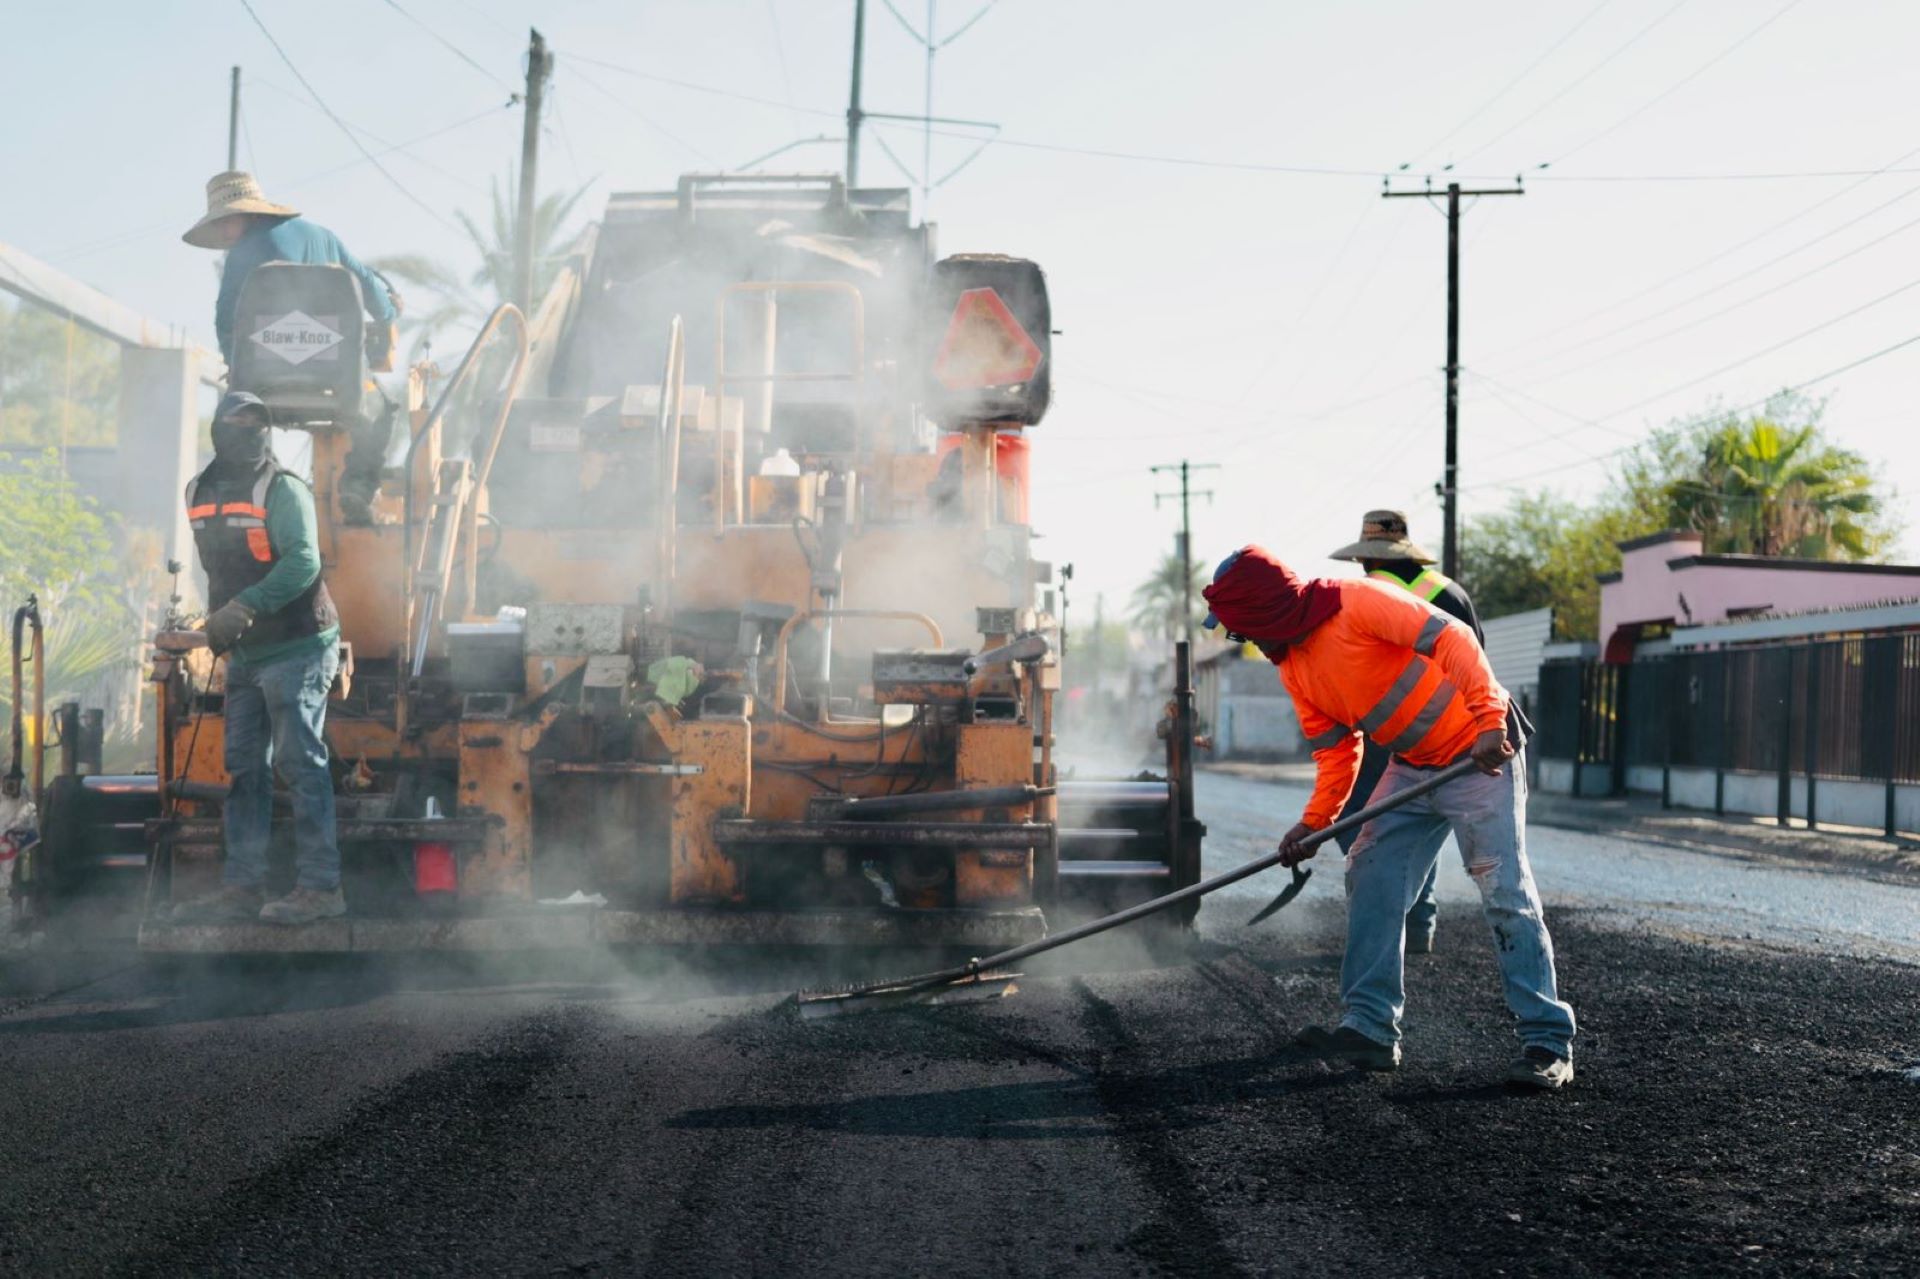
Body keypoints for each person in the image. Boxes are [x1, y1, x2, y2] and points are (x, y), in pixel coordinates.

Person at [1201, 545, 1575, 1089]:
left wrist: (1491, 720)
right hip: (1414, 766)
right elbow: (1336, 751)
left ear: (1263, 610)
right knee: (1368, 868)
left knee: (1503, 890)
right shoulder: (1295, 665)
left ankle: (1547, 1041)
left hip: (1479, 756)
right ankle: (1371, 1027)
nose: (1246, 642)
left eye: (1242, 629)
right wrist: (1314, 823)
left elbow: (1455, 639)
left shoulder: (1357, 602)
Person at [171, 392, 345, 927]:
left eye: (258, 425)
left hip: (298, 646)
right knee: (246, 770)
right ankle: (244, 885)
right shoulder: (197, 490)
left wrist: (244, 607)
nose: (250, 432)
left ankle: (321, 888)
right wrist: (216, 617)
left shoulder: (283, 489)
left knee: (300, 764)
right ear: (218, 430)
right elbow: (220, 567)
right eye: (239, 423)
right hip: (248, 653)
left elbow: (303, 563)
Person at [183, 171, 400, 524]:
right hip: (337, 383)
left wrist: (236, 364)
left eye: (226, 222)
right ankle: (356, 489)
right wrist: (390, 312)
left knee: (232, 423)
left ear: (249, 213)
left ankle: (243, 500)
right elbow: (371, 290)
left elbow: (226, 319)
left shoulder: (241, 255)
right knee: (380, 409)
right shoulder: (325, 239)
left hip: (264, 383)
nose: (223, 234)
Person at [1326, 510, 1485, 956]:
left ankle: (1388, 920)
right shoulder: (1452, 593)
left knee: (1360, 821)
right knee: (1421, 819)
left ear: (1366, 560)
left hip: (1389, 730)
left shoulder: (1369, 595)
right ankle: (1418, 922)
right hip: (1454, 733)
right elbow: (1479, 661)